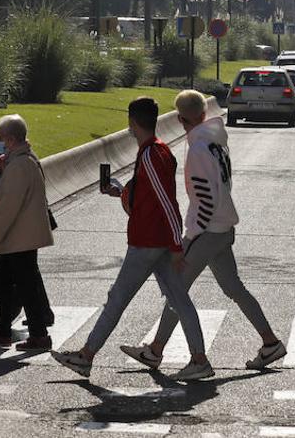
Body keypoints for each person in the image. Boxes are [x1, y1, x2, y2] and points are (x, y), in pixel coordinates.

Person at [120, 90, 287, 371]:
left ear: (180, 119)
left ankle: (174, 354)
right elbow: (220, 188)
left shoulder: (197, 149)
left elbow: (204, 199)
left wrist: (191, 235)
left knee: (177, 290)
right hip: (222, 228)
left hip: (206, 231)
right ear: (203, 114)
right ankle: (269, 342)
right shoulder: (215, 142)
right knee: (233, 288)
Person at [52, 96, 211, 381]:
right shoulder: (159, 151)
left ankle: (86, 356)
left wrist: (177, 245)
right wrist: (122, 193)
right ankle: (199, 359)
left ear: (132, 122)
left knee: (117, 299)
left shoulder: (150, 154)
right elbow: (152, 196)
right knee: (179, 300)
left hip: (147, 243)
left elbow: (166, 202)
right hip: (159, 243)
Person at [0, 114, 55, 350]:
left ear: (10, 139)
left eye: (0, 137)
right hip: (19, 236)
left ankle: (38, 334)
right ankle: (3, 330)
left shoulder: (18, 165)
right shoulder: (19, 160)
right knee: (7, 283)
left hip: (18, 237)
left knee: (24, 287)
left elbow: (7, 207)